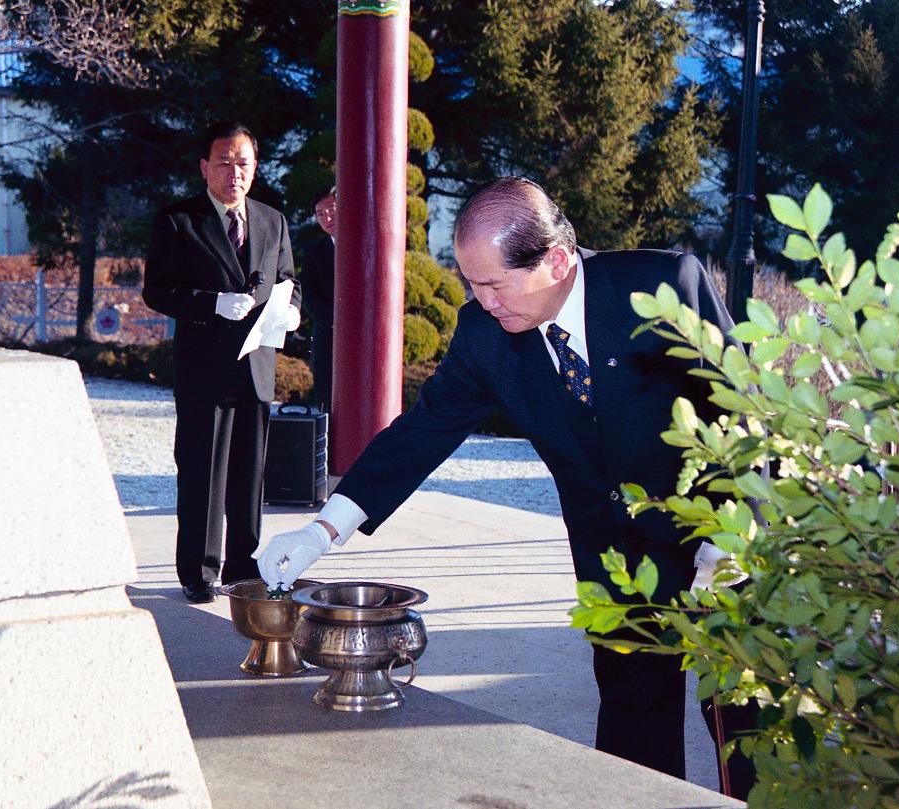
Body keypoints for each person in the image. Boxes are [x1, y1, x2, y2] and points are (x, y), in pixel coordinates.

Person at [254, 176, 754, 796]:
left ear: (556, 260)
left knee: (744, 718)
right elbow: (421, 433)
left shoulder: (660, 288)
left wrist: (738, 527)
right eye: (471, 283)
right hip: (615, 556)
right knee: (632, 711)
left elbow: (741, 407)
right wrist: (321, 529)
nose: (483, 301)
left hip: (719, 544)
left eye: (494, 284)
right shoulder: (486, 336)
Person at [142, 121, 301, 604]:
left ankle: (241, 562)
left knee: (250, 472)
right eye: (225, 162)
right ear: (205, 167)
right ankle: (198, 569)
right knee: (202, 470)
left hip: (256, 364)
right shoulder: (178, 220)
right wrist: (210, 303)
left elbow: (288, 276)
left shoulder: (272, 219)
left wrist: (292, 310)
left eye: (244, 163)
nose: (235, 172)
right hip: (204, 367)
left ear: (256, 168)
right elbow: (157, 290)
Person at [299, 187, 337, 411]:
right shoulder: (314, 251)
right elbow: (309, 295)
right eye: (320, 214)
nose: (327, 218)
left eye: (331, 210)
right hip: (327, 337)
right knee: (327, 400)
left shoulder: (367, 243)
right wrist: (335, 320)